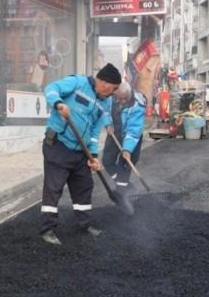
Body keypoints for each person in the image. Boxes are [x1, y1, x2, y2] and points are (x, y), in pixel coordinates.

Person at [40, 64, 122, 245]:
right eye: (113, 88)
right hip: (59, 145)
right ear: (104, 82)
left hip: (80, 151)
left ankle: (84, 225)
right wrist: (59, 104)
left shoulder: (106, 102)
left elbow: (95, 131)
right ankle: (48, 229)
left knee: (84, 187)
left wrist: (93, 156)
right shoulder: (77, 82)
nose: (113, 93)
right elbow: (51, 88)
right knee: (54, 188)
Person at [102, 82, 147, 193]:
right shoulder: (110, 97)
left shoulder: (138, 104)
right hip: (114, 132)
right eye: (119, 98)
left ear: (130, 93)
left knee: (125, 164)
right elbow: (104, 110)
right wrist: (107, 123)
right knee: (107, 161)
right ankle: (124, 184)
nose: (122, 102)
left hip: (132, 137)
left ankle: (122, 193)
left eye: (124, 99)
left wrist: (127, 149)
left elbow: (133, 130)